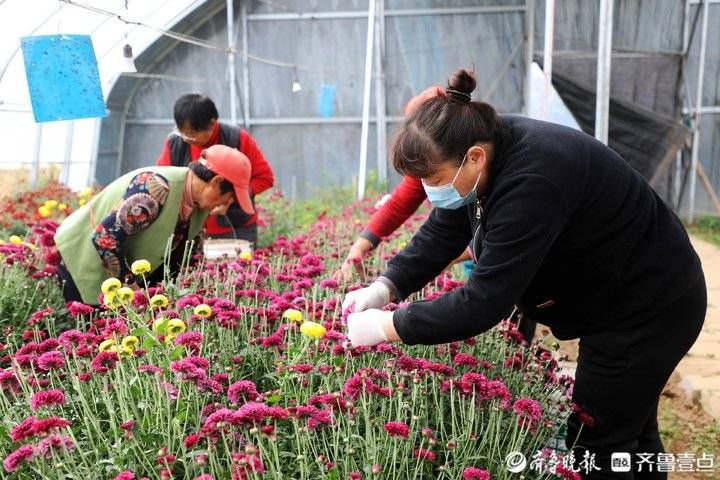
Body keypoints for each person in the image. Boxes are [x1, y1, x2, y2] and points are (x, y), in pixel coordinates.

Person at [341, 69, 706, 479]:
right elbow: (444, 229)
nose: (430, 190)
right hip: (634, 293)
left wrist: (387, 325)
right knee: (630, 431)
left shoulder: (533, 179)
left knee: (598, 443)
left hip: (646, 309)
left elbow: (483, 302)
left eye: (435, 179)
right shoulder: (487, 148)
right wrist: (385, 286)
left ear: (474, 156)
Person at [55, 145, 254, 305]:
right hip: (83, 259)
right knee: (92, 338)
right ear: (216, 181)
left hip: (125, 272)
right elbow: (104, 238)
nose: (224, 205)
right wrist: (132, 291)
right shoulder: (155, 189)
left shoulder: (198, 204)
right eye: (227, 198)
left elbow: (186, 253)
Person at [156, 93, 274, 245]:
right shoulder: (175, 143)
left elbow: (265, 178)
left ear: (212, 124)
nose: (186, 138)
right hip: (190, 228)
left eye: (192, 134)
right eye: (182, 132)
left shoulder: (237, 138)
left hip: (236, 226)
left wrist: (232, 196)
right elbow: (164, 182)